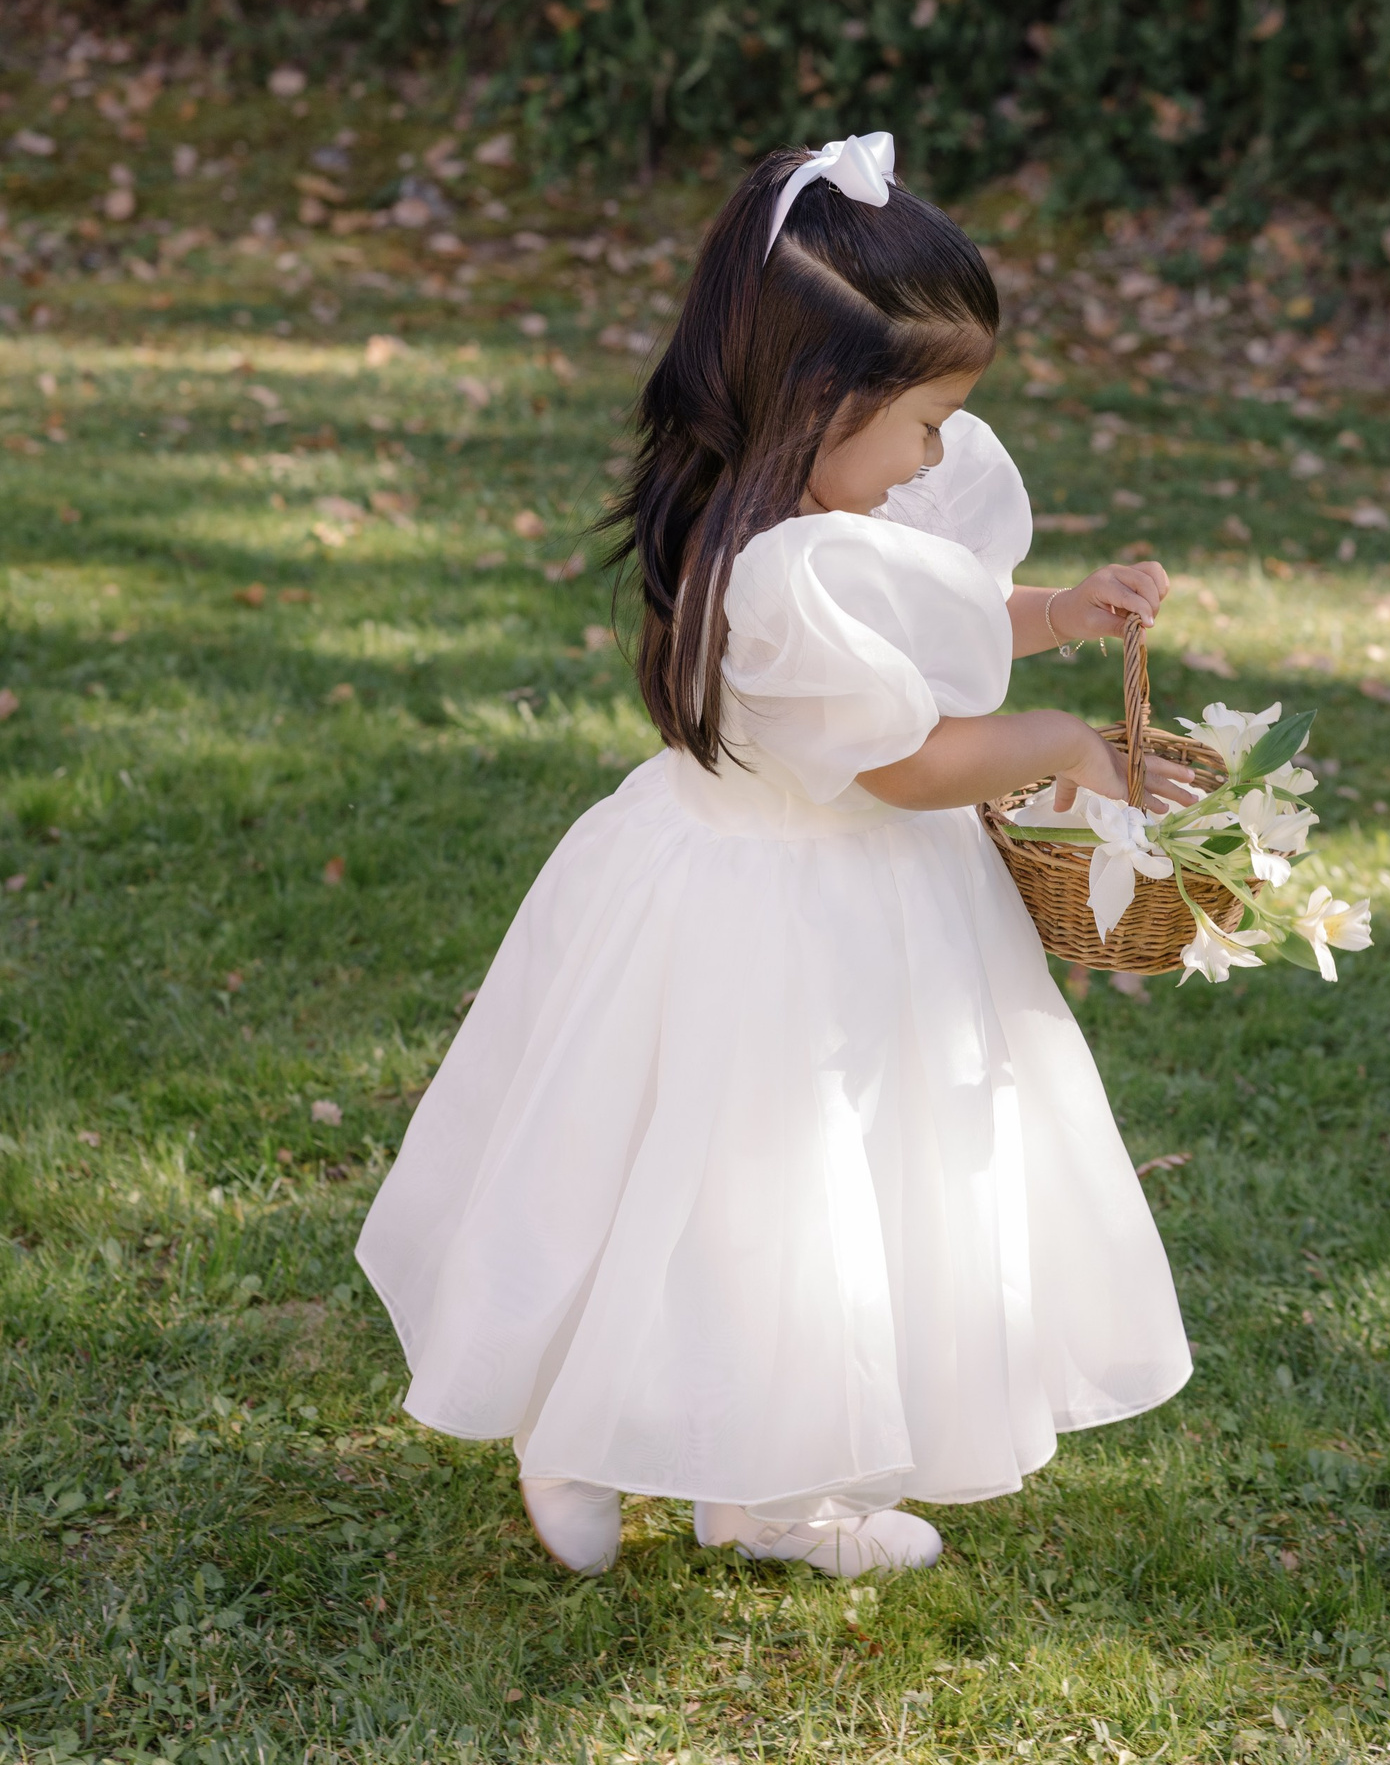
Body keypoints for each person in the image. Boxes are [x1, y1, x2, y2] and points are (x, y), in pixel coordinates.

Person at [357, 132, 1198, 1582]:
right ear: (824, 396)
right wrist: (1068, 743)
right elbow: (905, 760)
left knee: (828, 1200)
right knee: (687, 1180)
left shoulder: (814, 509)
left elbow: (933, 625)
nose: (935, 455)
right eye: (926, 423)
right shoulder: (777, 564)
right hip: (757, 914)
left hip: (856, 904)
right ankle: (574, 1428)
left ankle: (771, 1485)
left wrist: (1059, 613)